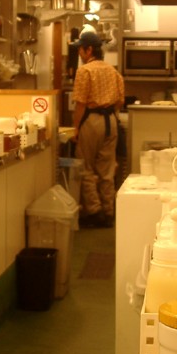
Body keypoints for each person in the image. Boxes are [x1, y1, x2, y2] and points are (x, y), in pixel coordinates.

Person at [71, 30, 124, 228]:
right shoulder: (113, 71)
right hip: (111, 121)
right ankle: (109, 211)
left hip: (91, 120)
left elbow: (80, 104)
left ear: (89, 49)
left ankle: (94, 211)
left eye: (80, 50)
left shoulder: (85, 71)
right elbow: (119, 100)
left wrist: (76, 128)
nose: (79, 54)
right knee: (107, 170)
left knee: (85, 167)